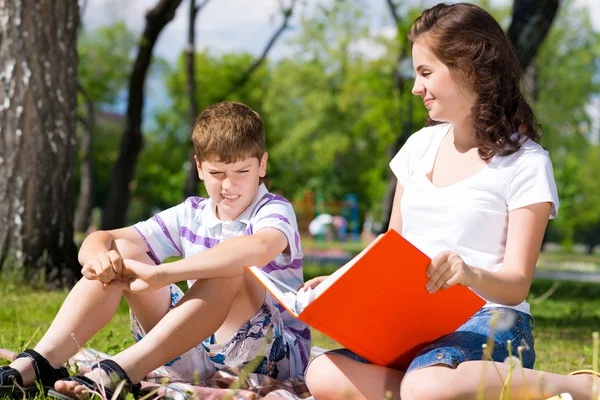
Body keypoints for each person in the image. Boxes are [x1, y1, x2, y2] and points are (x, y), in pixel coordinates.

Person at [303, 3, 599, 400]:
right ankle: (437, 391)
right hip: (412, 321)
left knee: (425, 386)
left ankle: (573, 386)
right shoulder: (418, 148)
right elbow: (391, 247)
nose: (415, 87)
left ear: (469, 69)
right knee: (322, 372)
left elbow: (515, 285)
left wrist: (470, 274)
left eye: (426, 73)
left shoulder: (527, 163)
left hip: (492, 317)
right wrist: (338, 283)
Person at [0, 101, 311, 399]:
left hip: (271, 354)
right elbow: (104, 237)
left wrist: (164, 273)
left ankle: (122, 370)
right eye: (217, 174)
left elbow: (258, 247)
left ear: (262, 165)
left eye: (241, 172)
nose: (228, 186)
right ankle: (42, 362)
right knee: (121, 252)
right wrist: (99, 260)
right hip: (195, 343)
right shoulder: (192, 212)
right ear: (200, 168)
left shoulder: (274, 209)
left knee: (230, 265)